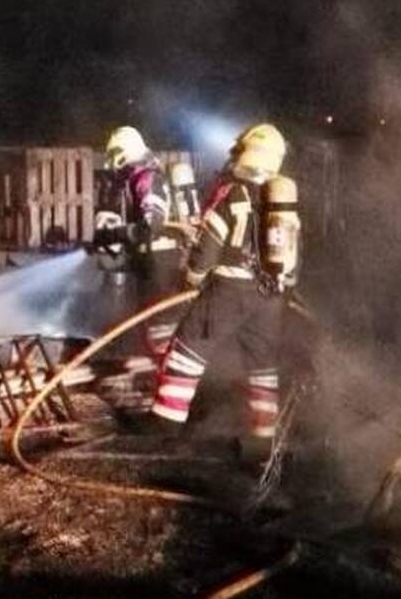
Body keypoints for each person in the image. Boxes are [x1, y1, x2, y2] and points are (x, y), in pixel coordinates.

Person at [145, 123, 298, 466]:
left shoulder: (233, 194)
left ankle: (164, 426)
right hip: (270, 297)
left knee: (185, 350)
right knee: (262, 366)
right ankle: (263, 438)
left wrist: (193, 278)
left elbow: (209, 245)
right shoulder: (282, 200)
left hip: (229, 289)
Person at [90, 126, 186, 357]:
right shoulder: (136, 177)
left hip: (161, 264)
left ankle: (166, 371)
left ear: (125, 152)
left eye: (115, 154)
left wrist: (118, 234)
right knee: (149, 321)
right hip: (150, 261)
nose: (113, 162)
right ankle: (155, 368)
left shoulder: (147, 178)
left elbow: (151, 225)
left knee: (159, 324)